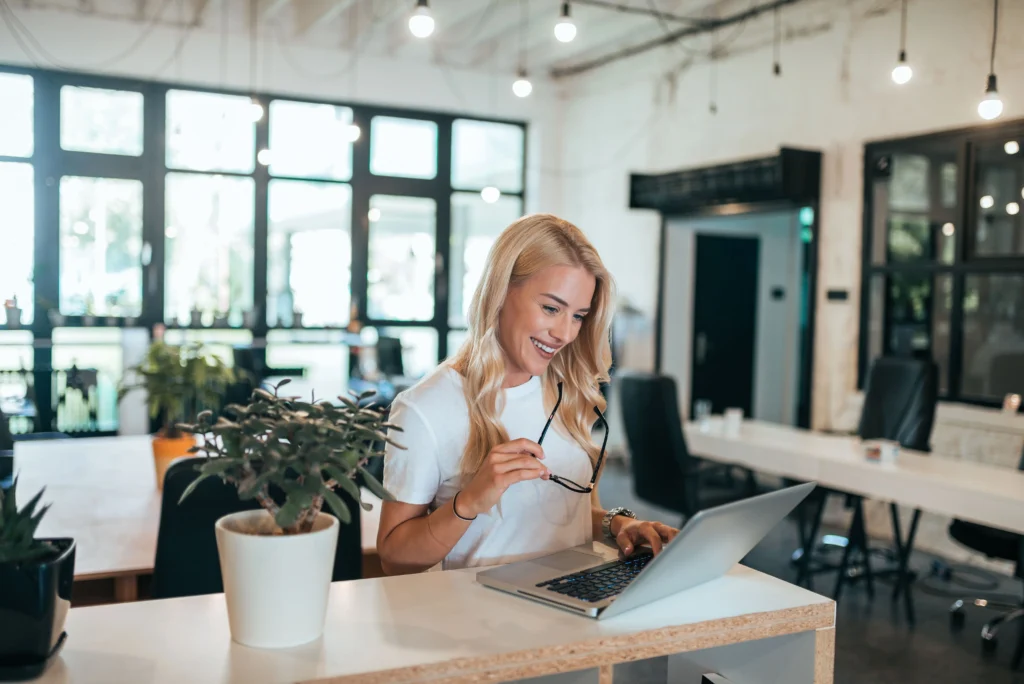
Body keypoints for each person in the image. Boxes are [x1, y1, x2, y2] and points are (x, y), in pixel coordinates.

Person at [376, 213, 677, 574]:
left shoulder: (568, 390)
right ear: (500, 291)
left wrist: (618, 524)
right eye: (551, 308)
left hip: (574, 605)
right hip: (487, 620)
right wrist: (469, 501)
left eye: (578, 316)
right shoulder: (424, 408)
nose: (565, 333)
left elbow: (568, 517)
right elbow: (395, 555)